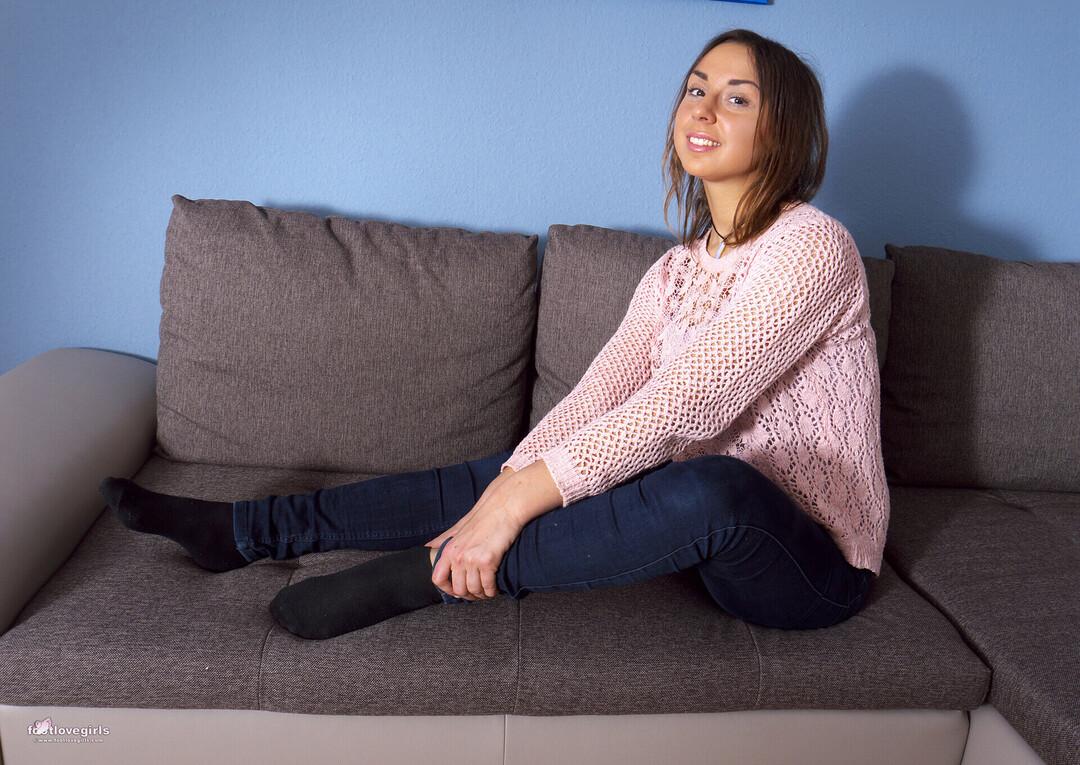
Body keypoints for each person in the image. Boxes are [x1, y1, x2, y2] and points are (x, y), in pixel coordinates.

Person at [101, 29, 889, 640]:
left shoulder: (813, 246)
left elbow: (690, 401)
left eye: (737, 98)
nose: (704, 108)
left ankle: (426, 575)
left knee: (712, 484)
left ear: (783, 130)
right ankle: (247, 529)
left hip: (808, 564)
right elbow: (600, 395)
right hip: (694, 530)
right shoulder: (675, 271)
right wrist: (509, 482)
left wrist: (513, 505)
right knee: (522, 467)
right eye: (695, 88)